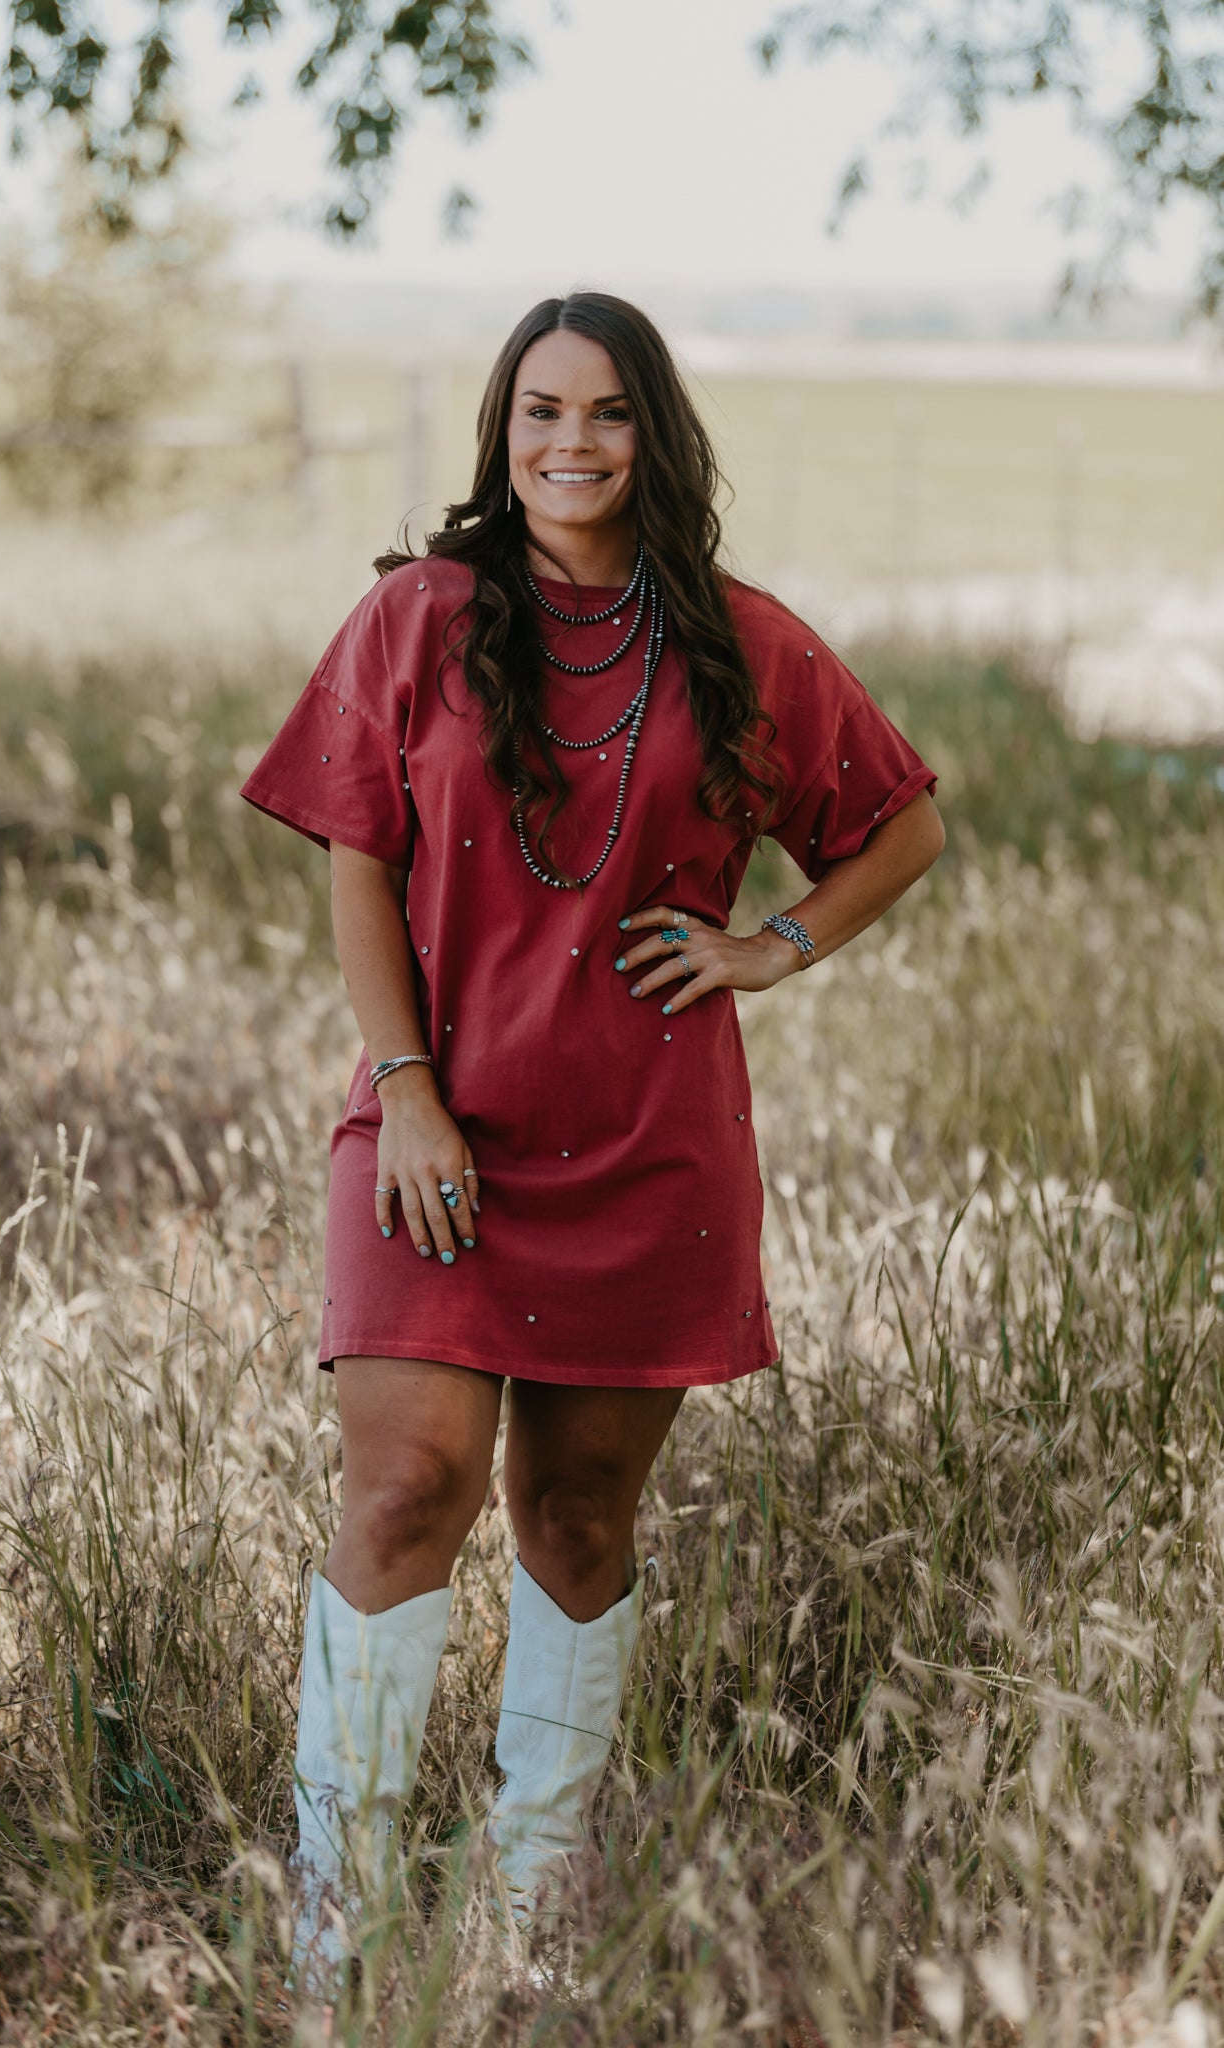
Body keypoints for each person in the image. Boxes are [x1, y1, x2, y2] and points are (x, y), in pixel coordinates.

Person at [241, 291, 945, 1986]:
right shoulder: (416, 618)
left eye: (609, 413)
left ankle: (537, 1892)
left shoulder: (741, 640)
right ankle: (341, 1910)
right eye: (541, 410)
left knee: (575, 1520)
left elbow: (899, 826)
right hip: (438, 1125)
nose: (572, 444)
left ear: (655, 436)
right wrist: (404, 1084)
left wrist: (769, 946)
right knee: (409, 1487)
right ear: (501, 428)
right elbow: (352, 853)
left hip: (647, 1142)